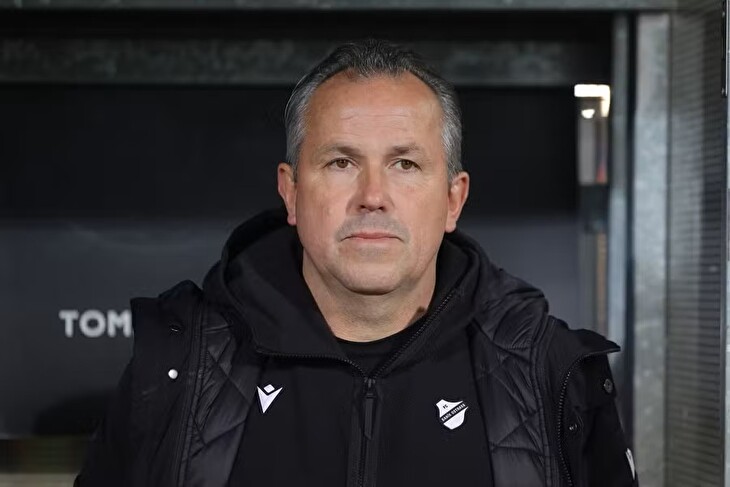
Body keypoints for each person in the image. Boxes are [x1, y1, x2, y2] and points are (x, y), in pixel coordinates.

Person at [75, 39, 638, 487]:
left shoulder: (554, 373)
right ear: (291, 193)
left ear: (453, 199)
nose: (372, 196)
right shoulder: (176, 364)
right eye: (341, 162)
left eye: (405, 164)